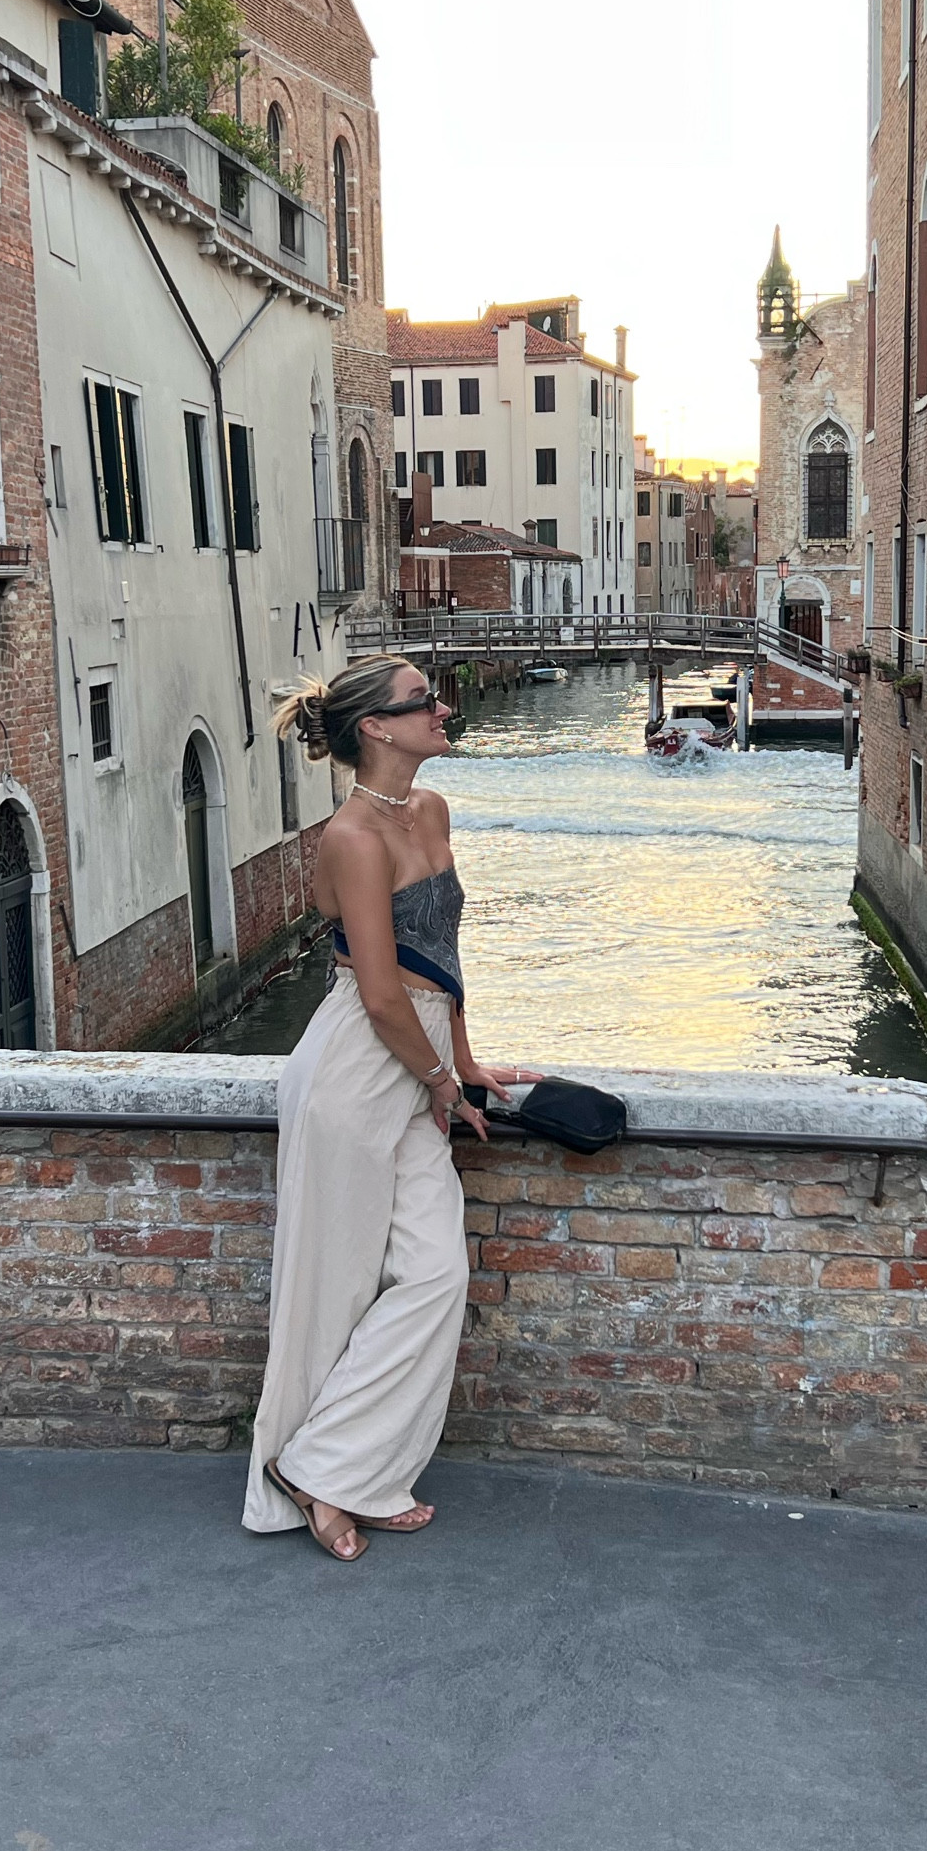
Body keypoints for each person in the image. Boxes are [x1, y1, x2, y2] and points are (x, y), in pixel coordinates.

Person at [242, 654, 541, 1561]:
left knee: (436, 1275)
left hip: (418, 1060)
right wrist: (442, 1086)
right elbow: (377, 992)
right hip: (354, 1074)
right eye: (423, 702)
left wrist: (464, 1058)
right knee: (329, 1290)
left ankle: (328, 1463)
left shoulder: (432, 811)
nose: (443, 708)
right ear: (377, 728)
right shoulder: (351, 838)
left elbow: (441, 956)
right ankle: (324, 1478)